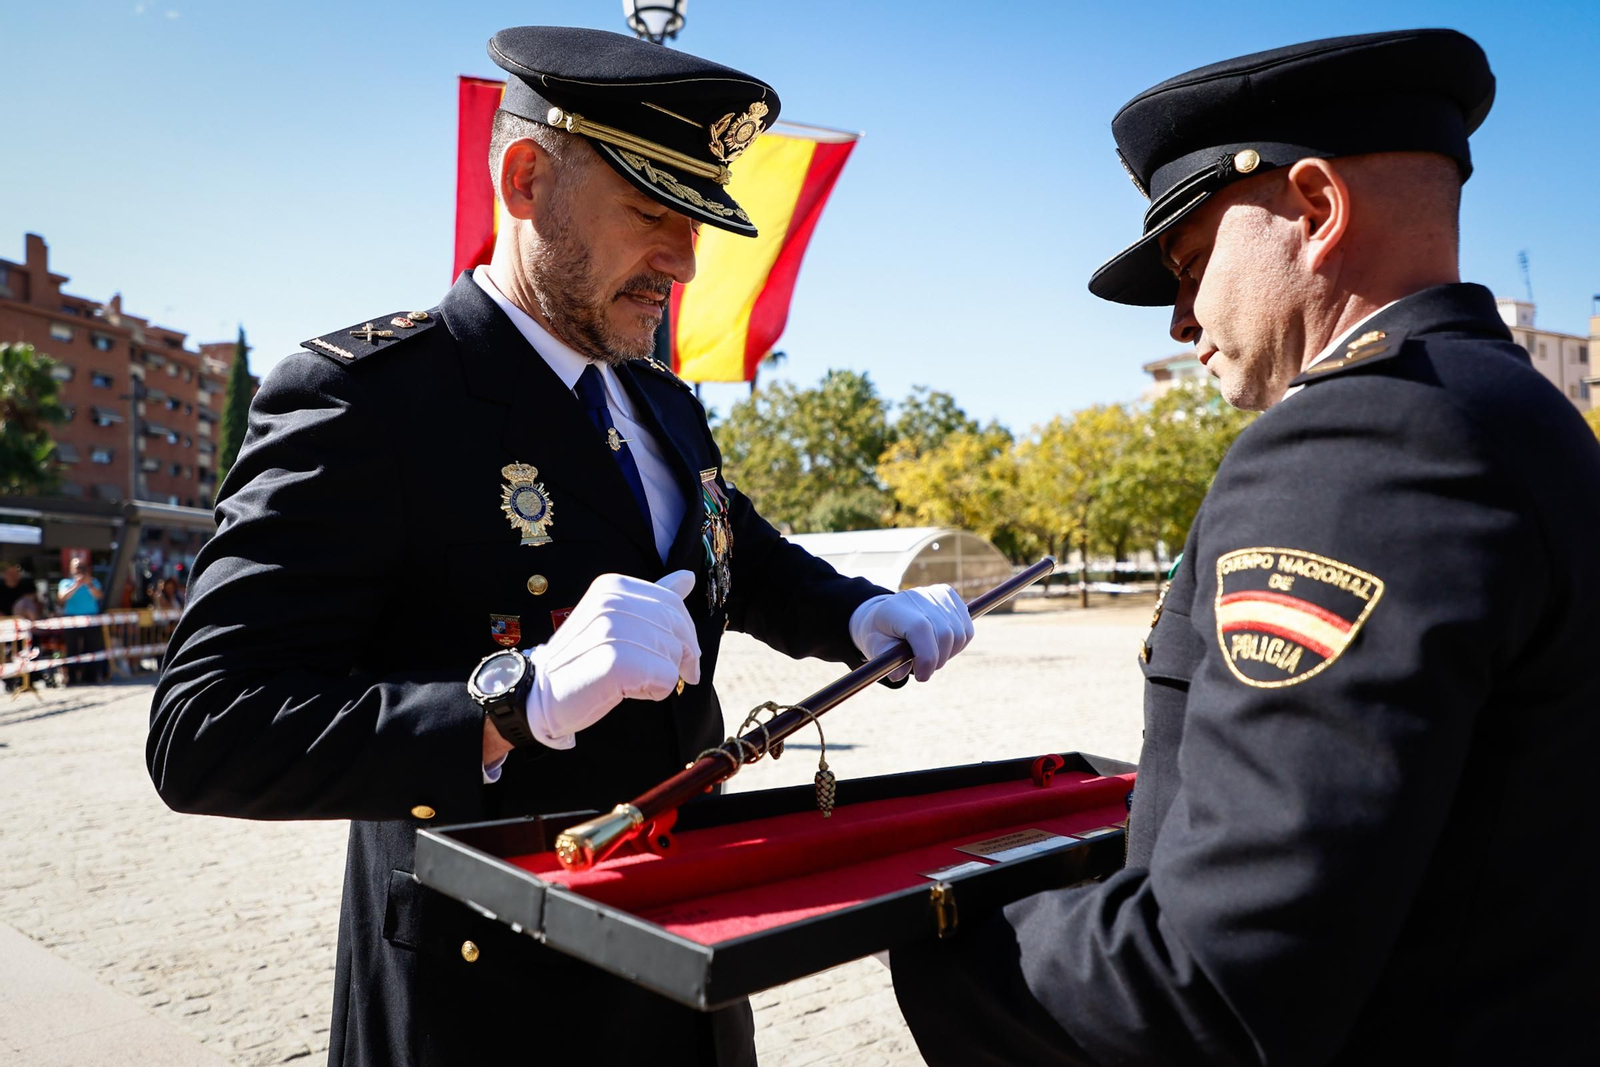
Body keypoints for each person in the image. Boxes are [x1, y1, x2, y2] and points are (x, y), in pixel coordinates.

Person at [147, 25, 973, 1067]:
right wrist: (510, 703)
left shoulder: (657, 397)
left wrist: (858, 610)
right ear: (526, 177)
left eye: (699, 220)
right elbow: (206, 727)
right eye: (650, 211)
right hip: (485, 998)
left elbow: (732, 553)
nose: (682, 260)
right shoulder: (368, 400)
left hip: (687, 965)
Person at [891, 28, 1600, 1064]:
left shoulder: (1357, 443)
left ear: (1314, 211)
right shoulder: (1525, 418)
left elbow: (1212, 982)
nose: (1181, 319)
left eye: (1189, 264)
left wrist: (934, 924)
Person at [57, 556, 106, 683]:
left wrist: (88, 584)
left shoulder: (93, 582)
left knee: (91, 648)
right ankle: (72, 677)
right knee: (72, 649)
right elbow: (62, 597)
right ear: (71, 569)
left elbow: (99, 595)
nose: (79, 569)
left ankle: (90, 676)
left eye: (81, 567)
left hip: (91, 618)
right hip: (72, 618)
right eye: (77, 567)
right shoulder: (66, 583)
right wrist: (76, 585)